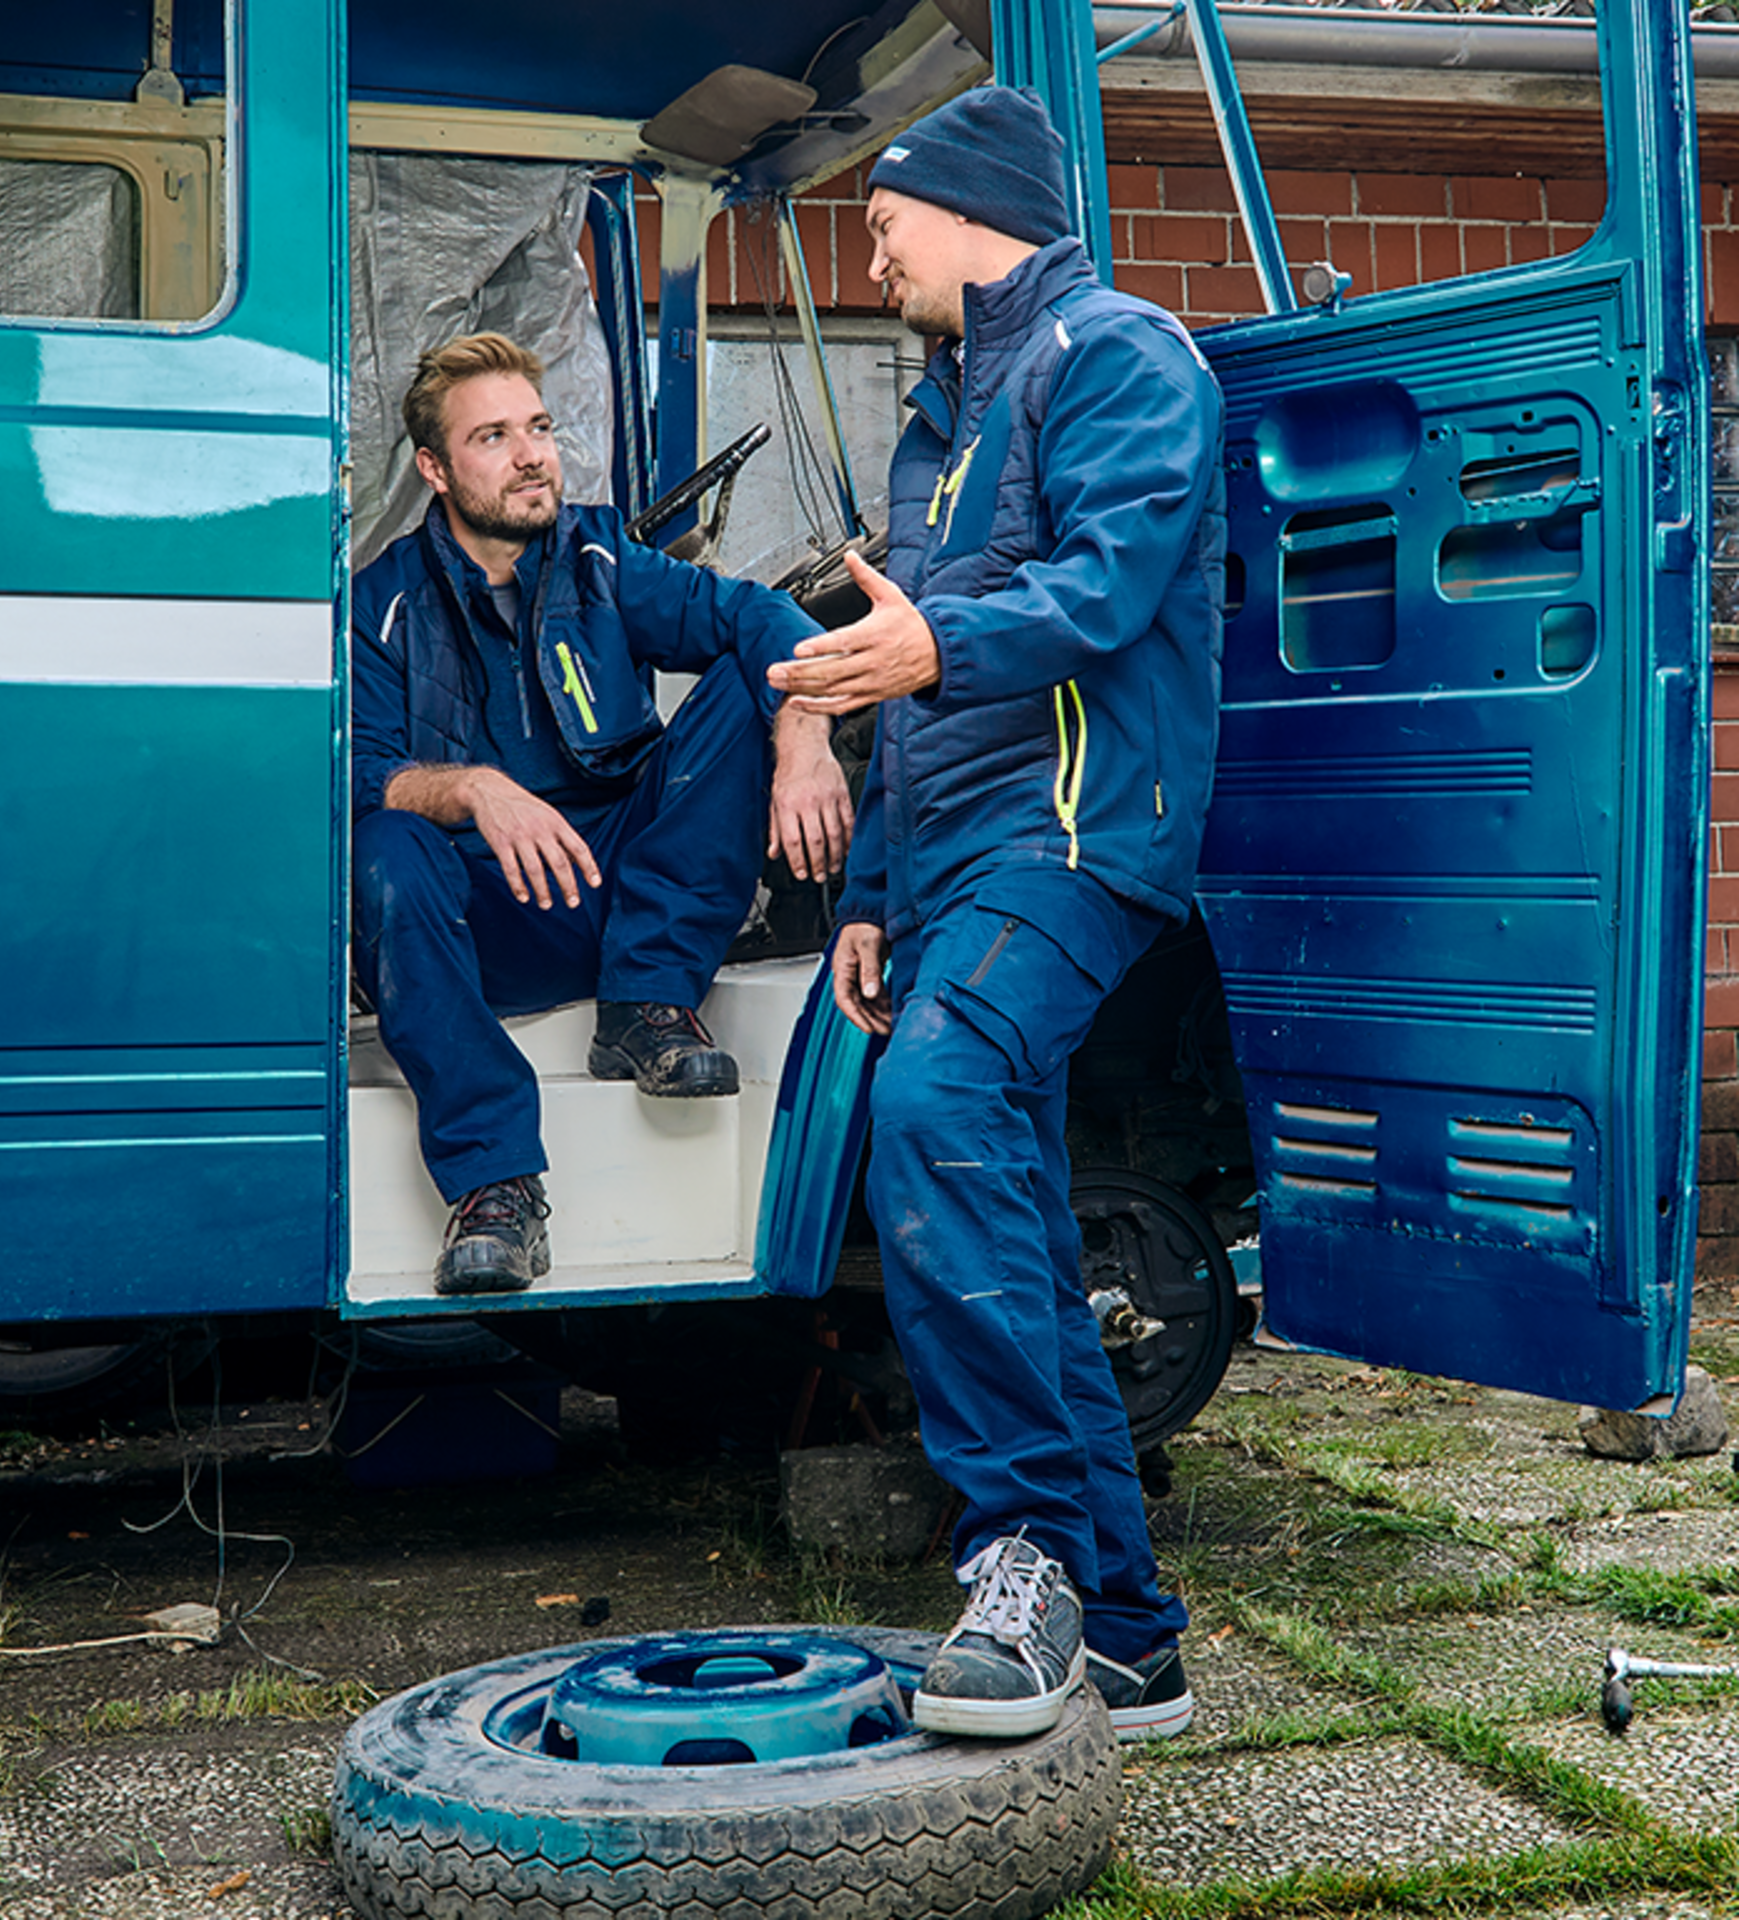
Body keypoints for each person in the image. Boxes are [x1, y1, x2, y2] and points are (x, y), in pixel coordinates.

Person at [770, 88, 1225, 1741]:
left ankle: (1019, 1555)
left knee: (938, 1101)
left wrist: (932, 648)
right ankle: (1128, 1639)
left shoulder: (1124, 357)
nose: (872, 254)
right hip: (956, 866)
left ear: (972, 211)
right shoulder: (937, 419)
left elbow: (1107, 587)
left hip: (1078, 839)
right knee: (1014, 1229)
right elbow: (918, 689)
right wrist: (873, 895)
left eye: (886, 222)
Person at [353, 332, 850, 1296]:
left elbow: (757, 617)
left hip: (624, 897)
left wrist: (804, 737)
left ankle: (646, 1008)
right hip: (482, 924)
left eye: (538, 428)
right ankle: (494, 1185)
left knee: (748, 686)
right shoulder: (381, 604)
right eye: (493, 437)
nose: (531, 455)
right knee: (384, 844)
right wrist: (472, 787)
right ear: (435, 469)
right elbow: (358, 771)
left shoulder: (601, 559)